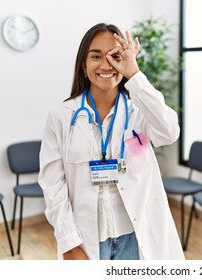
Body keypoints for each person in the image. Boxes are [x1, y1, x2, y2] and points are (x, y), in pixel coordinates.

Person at [38, 23, 184, 260]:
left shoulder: (140, 110)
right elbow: (53, 185)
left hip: (137, 236)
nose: (106, 65)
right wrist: (69, 244)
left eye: (115, 57)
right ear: (84, 66)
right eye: (96, 56)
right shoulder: (61, 116)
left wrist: (134, 75)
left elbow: (169, 132)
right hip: (87, 239)